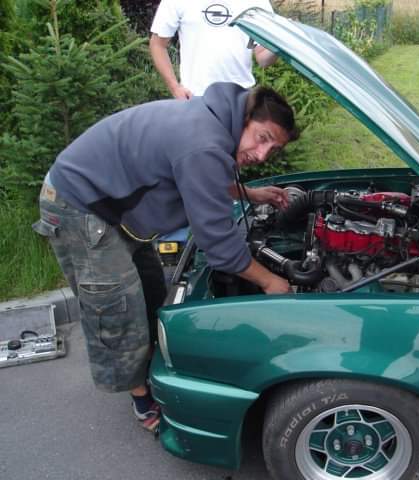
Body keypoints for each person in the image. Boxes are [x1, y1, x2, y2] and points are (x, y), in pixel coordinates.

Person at [33, 83, 299, 431]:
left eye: (273, 149)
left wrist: (251, 193)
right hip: (77, 202)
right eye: (262, 138)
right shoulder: (204, 141)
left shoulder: (214, 122)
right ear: (246, 118)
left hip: (110, 205)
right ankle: (142, 400)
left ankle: (151, 363)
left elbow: (202, 177)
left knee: (151, 291)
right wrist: (271, 281)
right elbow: (218, 243)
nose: (262, 155)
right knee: (116, 304)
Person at [150, 0, 277, 99]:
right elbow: (157, 45)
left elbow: (262, 57)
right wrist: (175, 88)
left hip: (241, 97)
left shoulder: (257, 2)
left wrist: (278, 46)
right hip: (195, 97)